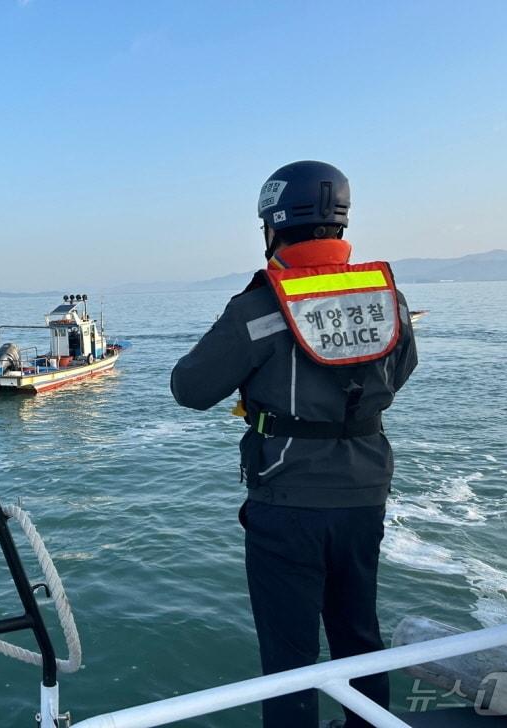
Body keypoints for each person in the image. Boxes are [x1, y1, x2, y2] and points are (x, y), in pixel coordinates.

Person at [170, 160, 417, 728]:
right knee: (359, 631)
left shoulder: (260, 306)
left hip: (288, 502)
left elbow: (190, 388)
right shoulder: (388, 297)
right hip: (364, 493)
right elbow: (402, 367)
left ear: (273, 226)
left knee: (289, 653)